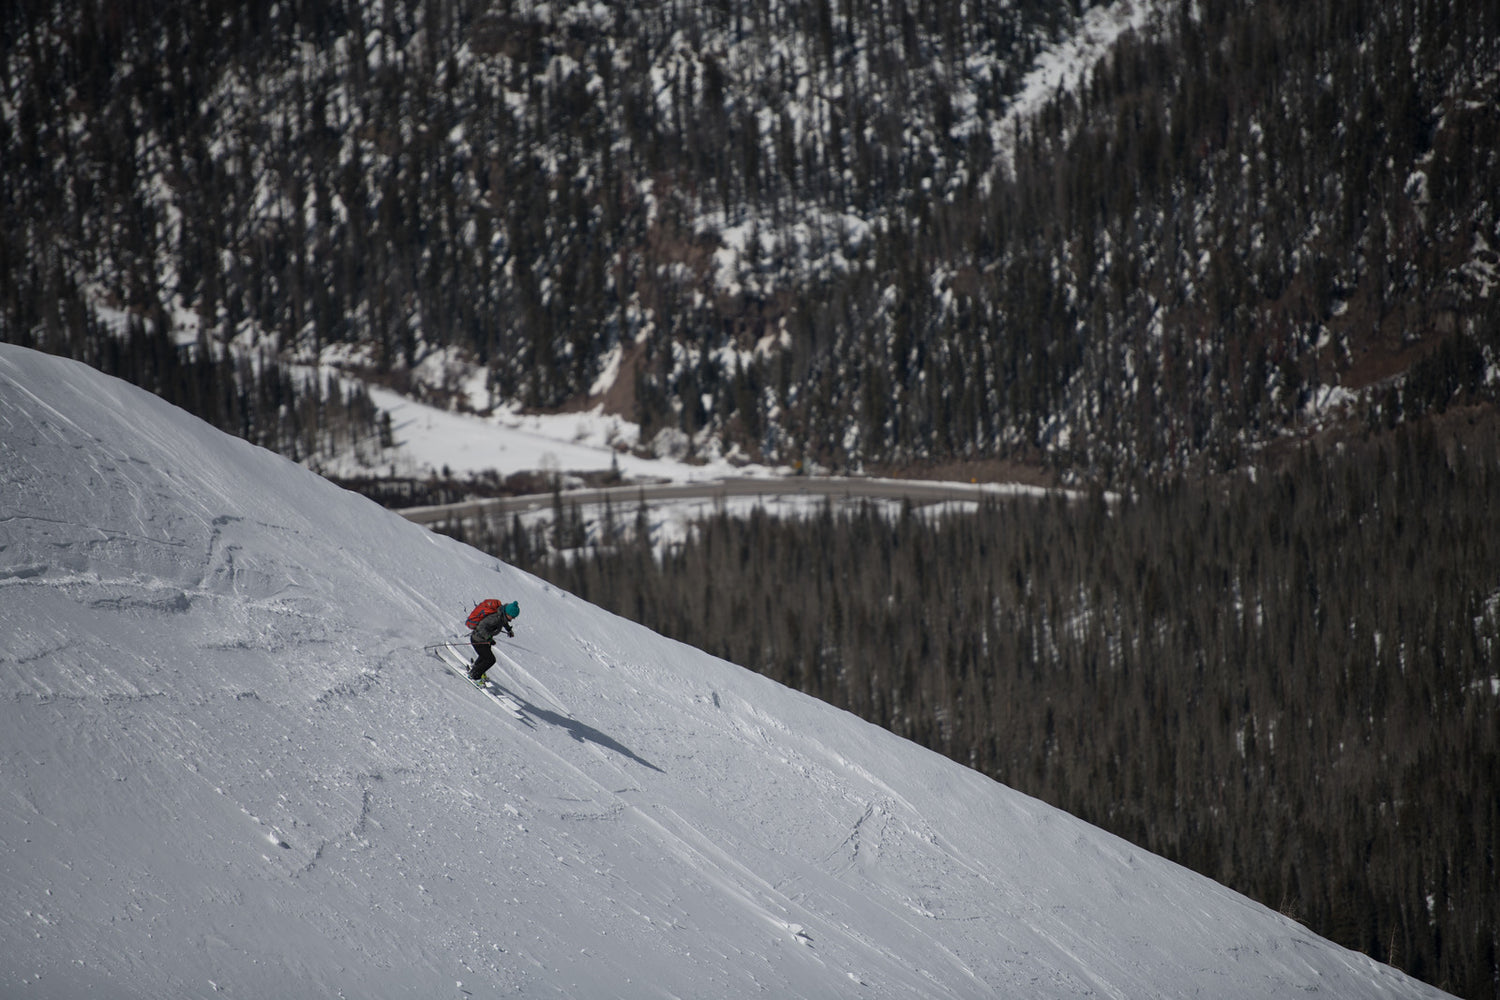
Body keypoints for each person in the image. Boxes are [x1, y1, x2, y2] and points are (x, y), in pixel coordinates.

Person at [469, 600, 518, 681]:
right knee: (490, 660)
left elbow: (504, 622)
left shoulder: (502, 616)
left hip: (483, 640)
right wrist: (488, 638)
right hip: (478, 639)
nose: (513, 618)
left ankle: (476, 668)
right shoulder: (495, 618)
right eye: (512, 617)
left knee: (485, 655)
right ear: (507, 614)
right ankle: (474, 676)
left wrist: (509, 630)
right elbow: (481, 628)